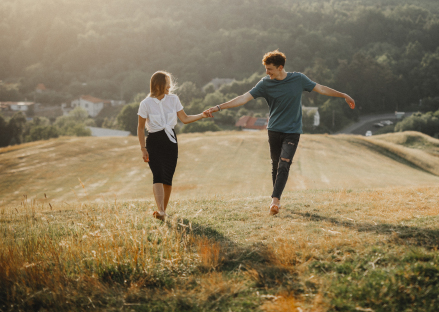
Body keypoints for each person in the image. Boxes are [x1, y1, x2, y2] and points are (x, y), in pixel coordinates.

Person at [204, 50, 355, 215]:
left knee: (284, 163)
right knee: (276, 165)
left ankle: (274, 201)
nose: (267, 72)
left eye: (270, 69)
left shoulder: (299, 79)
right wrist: (218, 107)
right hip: (274, 130)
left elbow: (322, 89)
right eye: (266, 69)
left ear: (280, 67)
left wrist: (344, 95)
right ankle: (277, 199)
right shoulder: (265, 83)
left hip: (292, 131)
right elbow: (243, 98)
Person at [137, 71, 211, 221]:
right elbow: (140, 127)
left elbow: (184, 118)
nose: (170, 86)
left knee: (168, 177)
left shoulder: (173, 99)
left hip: (171, 141)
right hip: (154, 141)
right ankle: (161, 210)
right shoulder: (145, 104)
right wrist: (143, 148)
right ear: (158, 84)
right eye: (167, 83)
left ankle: (163, 211)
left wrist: (201, 115)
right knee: (157, 174)